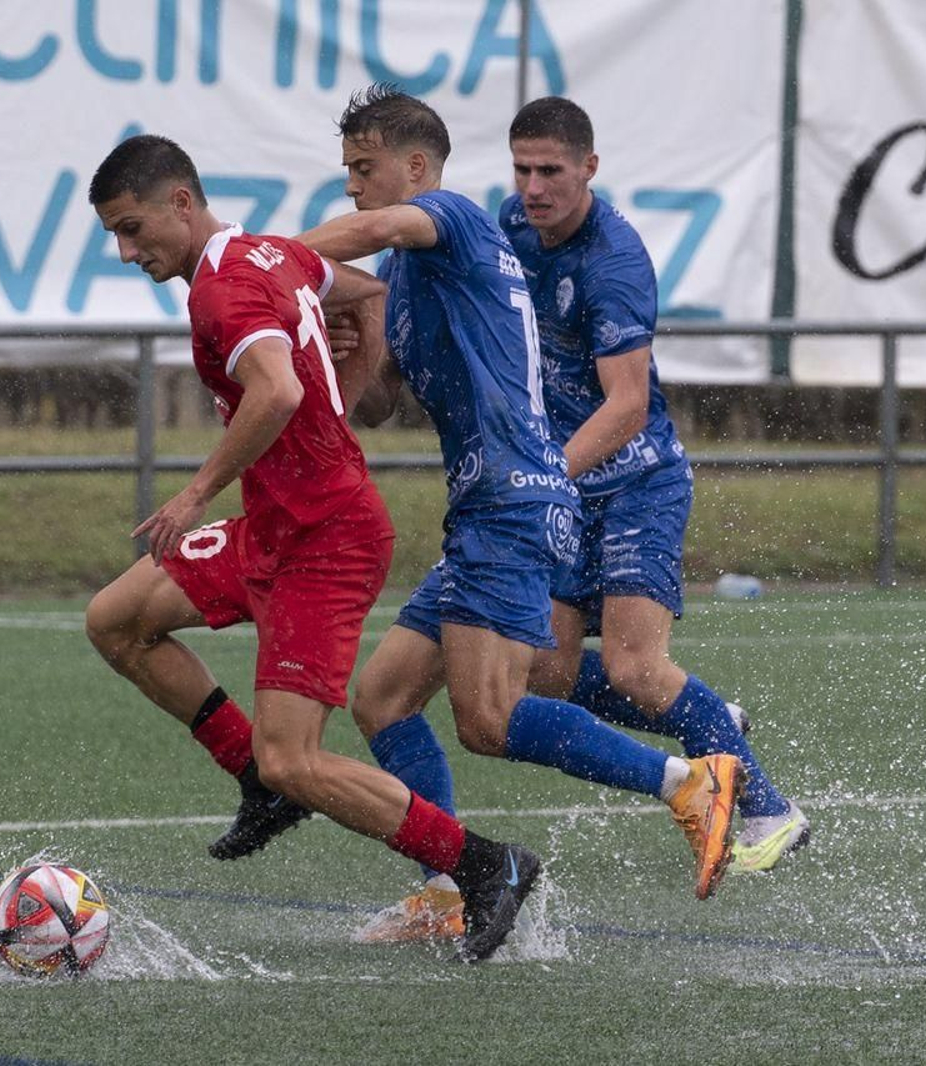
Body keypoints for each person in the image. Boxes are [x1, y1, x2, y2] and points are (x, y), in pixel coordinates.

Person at [289, 85, 746, 934]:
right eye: (346, 170)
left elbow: (378, 228)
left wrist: (265, 260)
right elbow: (381, 401)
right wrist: (349, 361)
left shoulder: (455, 219)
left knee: (490, 719)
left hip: (512, 501)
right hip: (480, 508)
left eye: (364, 167)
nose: (351, 186)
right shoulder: (405, 280)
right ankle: (446, 889)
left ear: (417, 168)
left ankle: (688, 781)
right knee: (384, 699)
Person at [81, 133, 540, 962]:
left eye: (134, 228)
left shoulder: (224, 289)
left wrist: (193, 493)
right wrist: (352, 390)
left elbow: (279, 390)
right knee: (115, 620)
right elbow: (364, 291)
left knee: (297, 757)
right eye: (115, 234)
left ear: (181, 204)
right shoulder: (267, 254)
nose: (126, 251)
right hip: (276, 524)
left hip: (326, 538)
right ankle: (254, 780)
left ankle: (483, 866)